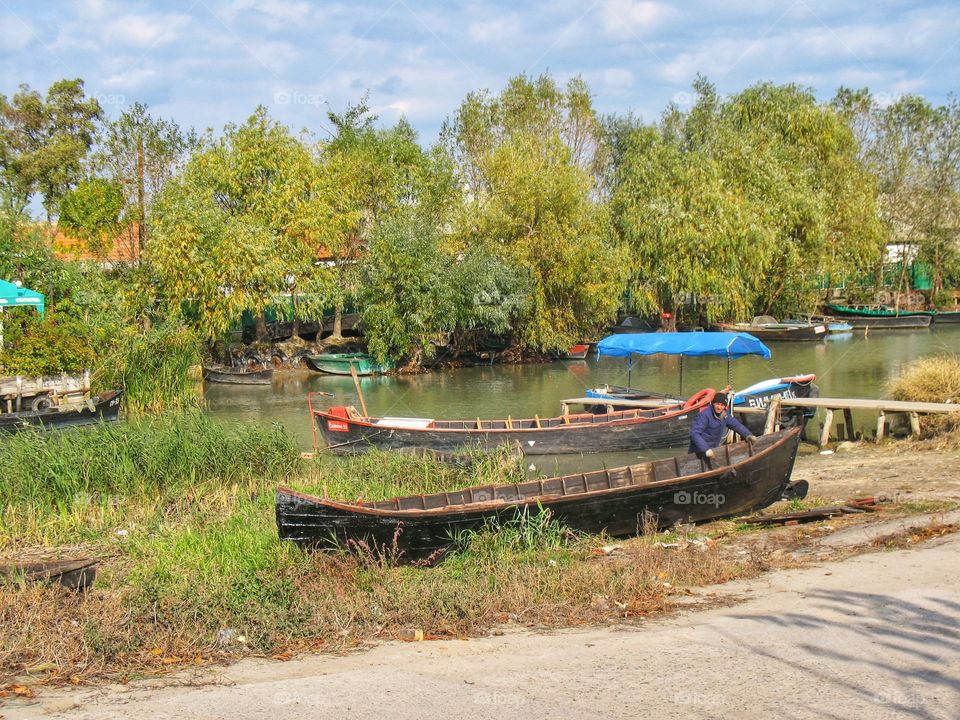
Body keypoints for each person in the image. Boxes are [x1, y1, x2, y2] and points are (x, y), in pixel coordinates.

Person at [688, 392, 757, 458]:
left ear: (724, 406)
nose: (719, 407)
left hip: (713, 449)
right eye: (717, 404)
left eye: (722, 405)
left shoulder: (725, 415)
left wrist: (748, 435)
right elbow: (694, 433)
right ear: (713, 403)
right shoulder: (704, 415)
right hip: (698, 451)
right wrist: (706, 449)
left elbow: (736, 425)